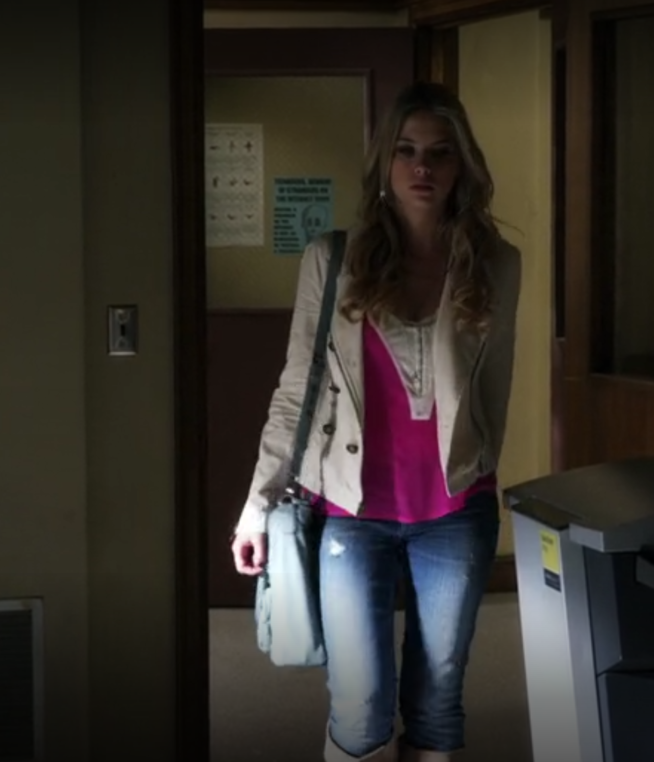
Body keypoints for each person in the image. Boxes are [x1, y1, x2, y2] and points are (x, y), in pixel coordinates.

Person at [231, 81, 522, 762]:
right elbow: (293, 389)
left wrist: (475, 464)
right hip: (352, 512)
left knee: (438, 696)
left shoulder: (497, 266)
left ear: (462, 168)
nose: (423, 167)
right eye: (408, 151)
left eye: (440, 154)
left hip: (455, 511)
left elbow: (494, 394)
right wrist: (256, 504)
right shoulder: (333, 261)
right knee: (360, 703)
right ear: (385, 166)